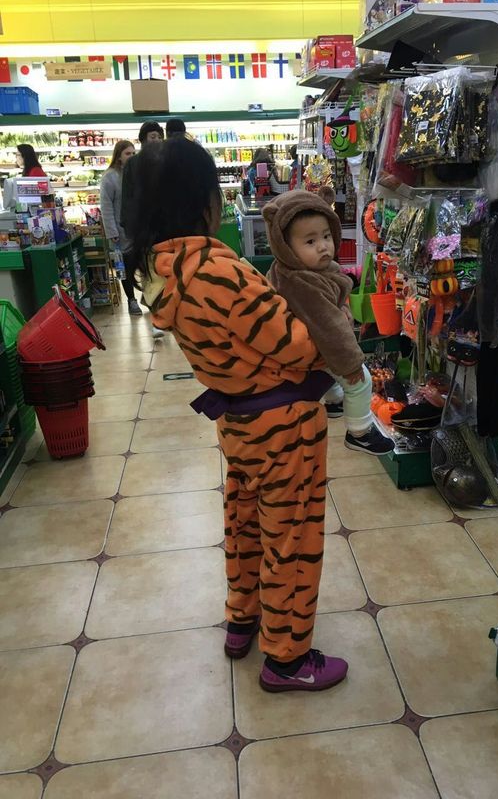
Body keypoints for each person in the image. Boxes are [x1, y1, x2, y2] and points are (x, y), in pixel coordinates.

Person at [127, 136, 348, 693]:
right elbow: (298, 346)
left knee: (245, 523)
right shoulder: (215, 268)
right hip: (284, 426)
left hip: (238, 420)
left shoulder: (154, 270)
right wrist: (329, 313)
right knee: (290, 537)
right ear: (204, 200)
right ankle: (287, 658)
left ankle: (242, 618)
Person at [263, 188, 394, 456]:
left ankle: (334, 400)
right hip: (312, 344)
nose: (323, 246)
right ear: (285, 247)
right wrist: (351, 364)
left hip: (311, 344)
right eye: (310, 242)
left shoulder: (301, 269)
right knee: (361, 380)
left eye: (326, 236)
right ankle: (360, 432)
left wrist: (342, 307)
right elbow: (330, 328)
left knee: (330, 371)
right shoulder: (302, 282)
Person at [120, 120, 165, 332]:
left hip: (165, 223)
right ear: (143, 139)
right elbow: (127, 196)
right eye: (152, 137)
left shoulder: (166, 161)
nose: (156, 140)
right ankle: (155, 315)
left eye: (158, 136)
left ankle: (168, 310)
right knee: (147, 269)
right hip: (143, 226)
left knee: (165, 268)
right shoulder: (133, 164)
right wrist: (128, 225)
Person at [100, 140, 143, 313]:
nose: (131, 157)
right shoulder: (110, 177)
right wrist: (112, 231)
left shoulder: (138, 174)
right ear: (118, 157)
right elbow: (106, 206)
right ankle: (131, 300)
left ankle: (148, 298)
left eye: (133, 153)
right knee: (124, 268)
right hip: (120, 231)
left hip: (138, 230)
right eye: (127, 153)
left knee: (143, 264)